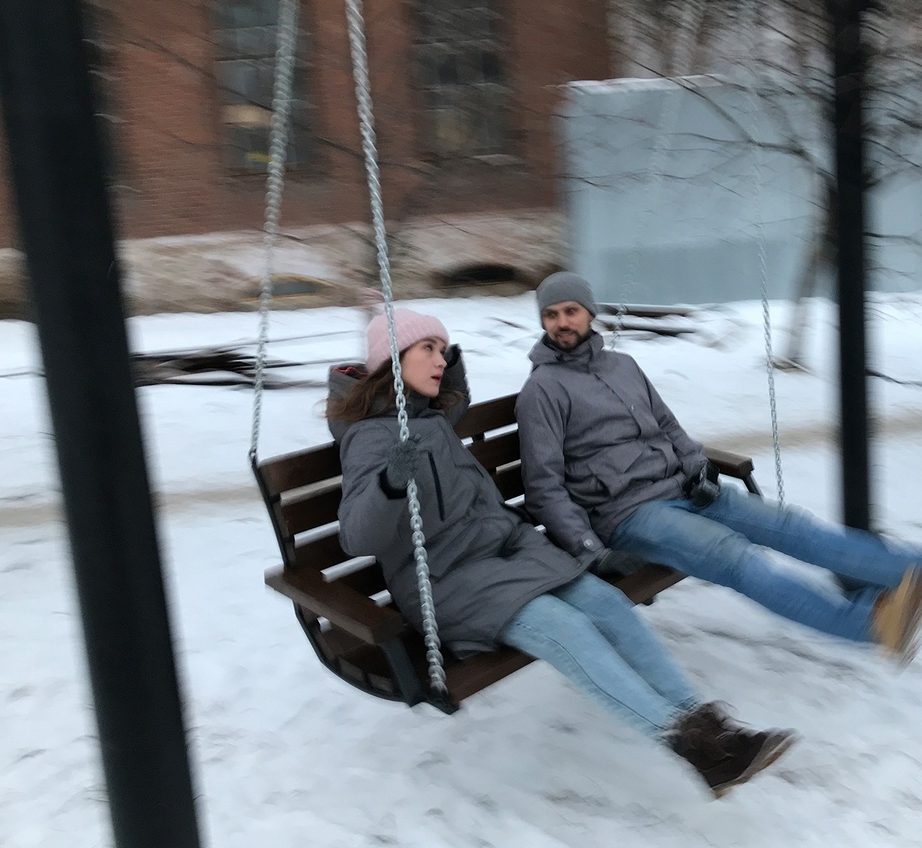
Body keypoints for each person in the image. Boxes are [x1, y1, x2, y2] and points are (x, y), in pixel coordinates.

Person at [326, 306, 795, 798]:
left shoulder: (429, 415)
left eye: (444, 350)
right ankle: (692, 748)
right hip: (450, 580)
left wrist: (448, 362)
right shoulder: (369, 438)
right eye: (428, 349)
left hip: (505, 552)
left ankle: (707, 726)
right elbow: (357, 537)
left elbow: (453, 399)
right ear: (392, 361)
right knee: (567, 630)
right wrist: (389, 483)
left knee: (610, 605)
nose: (441, 359)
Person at [516, 271, 922, 663]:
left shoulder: (622, 365)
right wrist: (591, 551)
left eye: (571, 311)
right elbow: (544, 487)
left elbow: (667, 425)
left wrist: (696, 469)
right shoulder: (542, 392)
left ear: (589, 314)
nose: (562, 322)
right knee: (740, 559)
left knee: (795, 528)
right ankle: (872, 625)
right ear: (544, 322)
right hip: (629, 515)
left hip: (683, 489)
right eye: (552, 314)